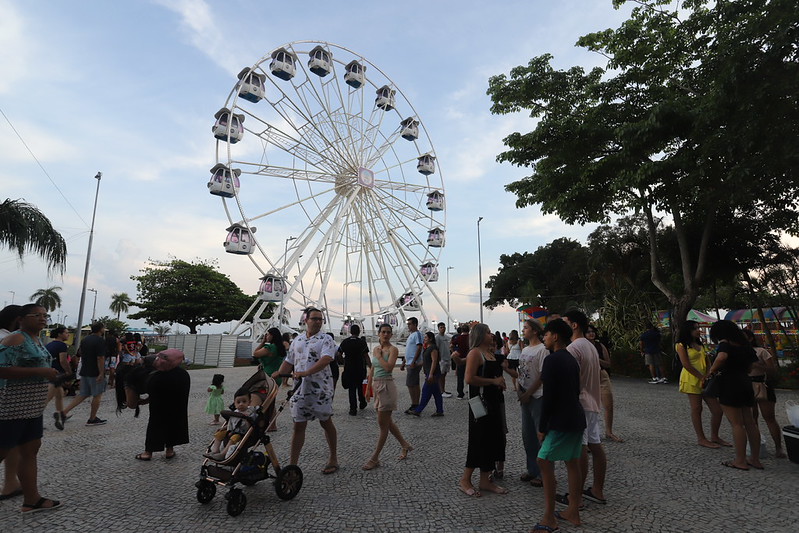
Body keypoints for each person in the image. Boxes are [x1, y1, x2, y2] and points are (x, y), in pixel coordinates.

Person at [0, 304, 62, 513]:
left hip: (32, 408)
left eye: (45, 315)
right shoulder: (15, 338)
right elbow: (1, 370)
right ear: (21, 319)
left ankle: (31, 499)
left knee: (30, 451)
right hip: (11, 407)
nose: (42, 318)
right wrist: (42, 371)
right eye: (37, 315)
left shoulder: (36, 339)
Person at [533, 318, 586, 531]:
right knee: (572, 462)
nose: (544, 338)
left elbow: (549, 396)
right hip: (576, 417)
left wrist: (543, 427)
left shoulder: (552, 360)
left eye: (546, 334)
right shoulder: (571, 359)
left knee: (544, 460)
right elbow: (575, 390)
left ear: (555, 336)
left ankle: (549, 517)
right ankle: (573, 511)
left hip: (561, 421)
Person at [273, 307, 339, 474]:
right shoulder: (298, 340)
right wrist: (278, 375)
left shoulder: (326, 340)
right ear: (306, 320)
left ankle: (333, 458)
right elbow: (289, 360)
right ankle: (293, 465)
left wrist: (306, 372)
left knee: (326, 422)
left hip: (320, 390)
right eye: (314, 318)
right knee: (298, 426)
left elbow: (326, 359)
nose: (317, 321)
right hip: (299, 390)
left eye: (320, 319)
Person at [561, 309, 607, 506]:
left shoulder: (573, 349)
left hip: (580, 403)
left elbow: (572, 381)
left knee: (580, 447)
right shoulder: (589, 346)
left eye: (565, 322)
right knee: (595, 446)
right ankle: (596, 489)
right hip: (593, 402)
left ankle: (576, 496)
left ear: (573, 325)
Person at [458, 323, 508, 497]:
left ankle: (485, 479)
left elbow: (491, 375)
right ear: (480, 335)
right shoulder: (475, 353)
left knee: (492, 439)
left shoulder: (490, 354)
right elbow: (469, 378)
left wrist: (499, 382)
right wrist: (493, 382)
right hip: (480, 403)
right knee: (478, 439)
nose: (491, 334)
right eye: (487, 332)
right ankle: (465, 479)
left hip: (494, 402)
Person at [707, 320, 761, 470]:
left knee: (737, 423)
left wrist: (711, 371)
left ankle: (740, 460)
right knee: (750, 422)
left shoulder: (725, 343)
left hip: (729, 383)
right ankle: (755, 459)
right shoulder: (745, 344)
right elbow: (751, 365)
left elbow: (722, 357)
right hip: (745, 381)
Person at [362, 323, 413, 470]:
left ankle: (375, 458)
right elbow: (372, 369)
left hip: (387, 387)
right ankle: (405, 444)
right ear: (379, 334)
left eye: (388, 332)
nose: (385, 334)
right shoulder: (376, 349)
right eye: (383, 332)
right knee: (387, 422)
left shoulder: (393, 349)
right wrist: (368, 389)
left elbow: (389, 367)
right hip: (376, 386)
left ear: (391, 335)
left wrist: (379, 356)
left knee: (382, 424)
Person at [676, 320, 728, 448]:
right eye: (695, 328)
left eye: (698, 328)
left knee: (717, 410)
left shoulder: (700, 343)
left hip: (706, 377)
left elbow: (707, 360)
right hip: (692, 378)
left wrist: (710, 373)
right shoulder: (681, 345)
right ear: (688, 330)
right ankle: (701, 438)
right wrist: (701, 377)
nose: (698, 330)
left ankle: (715, 436)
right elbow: (686, 364)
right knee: (697, 408)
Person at [134, 349, 190, 460]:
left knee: (155, 424)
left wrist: (143, 401)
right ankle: (169, 450)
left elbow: (152, 394)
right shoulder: (183, 375)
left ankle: (148, 452)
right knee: (174, 422)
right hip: (177, 407)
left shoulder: (156, 377)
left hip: (158, 408)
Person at [743, 329, 785, 458]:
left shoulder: (761, 351)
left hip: (762, 383)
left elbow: (772, 370)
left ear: (750, 338)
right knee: (751, 418)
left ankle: (779, 447)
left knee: (769, 417)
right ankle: (756, 447)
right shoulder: (739, 352)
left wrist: (757, 366)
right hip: (746, 385)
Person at [517, 318, 547, 487]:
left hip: (538, 396)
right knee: (527, 435)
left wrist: (529, 392)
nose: (524, 329)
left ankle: (544, 473)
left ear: (535, 331)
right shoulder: (525, 349)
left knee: (540, 434)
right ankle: (532, 469)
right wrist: (520, 389)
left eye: (526, 327)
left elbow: (543, 375)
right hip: (525, 396)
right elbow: (521, 372)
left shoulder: (542, 350)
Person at [61, 322, 108, 426]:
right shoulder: (100, 341)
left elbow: (81, 353)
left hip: (85, 370)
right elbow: (100, 357)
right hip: (95, 371)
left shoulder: (85, 339)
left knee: (84, 394)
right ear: (101, 329)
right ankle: (92, 418)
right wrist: (101, 372)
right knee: (97, 395)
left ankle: (64, 412)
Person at [0, 304, 23, 502]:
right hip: (6, 396)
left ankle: (11, 483)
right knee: (7, 442)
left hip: (9, 397)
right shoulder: (8, 339)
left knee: (12, 443)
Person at [586, 325, 623, 443]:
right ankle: (588, 434)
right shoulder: (581, 346)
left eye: (593, 332)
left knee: (608, 404)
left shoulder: (600, 346)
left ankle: (609, 431)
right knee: (588, 408)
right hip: (588, 378)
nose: (591, 334)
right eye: (588, 332)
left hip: (602, 376)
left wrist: (597, 358)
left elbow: (608, 363)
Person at [204, 388, 256, 461]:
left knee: (233, 438)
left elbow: (252, 424)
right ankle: (215, 451)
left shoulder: (250, 412)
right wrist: (224, 428)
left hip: (242, 434)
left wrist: (247, 419)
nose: (241, 404)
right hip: (231, 430)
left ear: (249, 402)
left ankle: (222, 454)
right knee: (219, 434)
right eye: (238, 402)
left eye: (244, 401)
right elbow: (231, 423)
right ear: (234, 403)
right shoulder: (235, 412)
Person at [337, 324, 370, 416]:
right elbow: (366, 356)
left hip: (349, 368)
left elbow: (338, 354)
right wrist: (371, 367)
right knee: (360, 386)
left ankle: (353, 409)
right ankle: (362, 402)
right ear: (359, 331)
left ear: (350, 332)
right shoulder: (362, 342)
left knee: (351, 389)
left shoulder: (345, 342)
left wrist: (344, 362)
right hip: (360, 367)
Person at [409, 331, 444, 417]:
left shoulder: (433, 348)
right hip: (430, 373)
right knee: (436, 393)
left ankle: (418, 410)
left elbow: (434, 361)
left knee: (426, 392)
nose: (424, 339)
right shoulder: (427, 348)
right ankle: (440, 410)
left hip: (433, 374)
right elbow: (426, 361)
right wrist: (416, 364)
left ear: (430, 339)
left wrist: (431, 374)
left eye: (425, 338)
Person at [44, 327, 72, 430]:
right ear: (60, 334)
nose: (68, 335)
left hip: (50, 371)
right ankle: (35, 419)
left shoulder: (49, 345)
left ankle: (61, 414)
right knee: (47, 397)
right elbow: (63, 360)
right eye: (66, 333)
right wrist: (68, 372)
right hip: (57, 374)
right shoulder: (62, 345)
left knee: (59, 395)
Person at [402, 316, 423, 414]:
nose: (408, 326)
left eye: (410, 324)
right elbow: (409, 350)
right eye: (408, 324)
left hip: (413, 364)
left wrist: (414, 361)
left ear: (415, 324)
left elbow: (419, 347)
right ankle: (415, 403)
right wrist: (403, 362)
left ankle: (415, 404)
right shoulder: (411, 335)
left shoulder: (417, 334)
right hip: (409, 362)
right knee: (413, 384)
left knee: (412, 384)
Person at [450, 324, 470, 399]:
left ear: (461, 330)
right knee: (471, 374)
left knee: (460, 377)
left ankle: (460, 393)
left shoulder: (459, 338)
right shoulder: (470, 337)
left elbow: (451, 345)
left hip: (460, 358)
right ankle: (471, 390)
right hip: (470, 358)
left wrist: (454, 352)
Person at [435, 322, 452, 397]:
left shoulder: (447, 337)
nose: (443, 329)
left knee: (444, 375)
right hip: (441, 359)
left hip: (447, 358)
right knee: (441, 375)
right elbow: (436, 349)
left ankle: (443, 389)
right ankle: (441, 391)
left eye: (444, 327)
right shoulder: (437, 337)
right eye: (441, 327)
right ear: (438, 328)